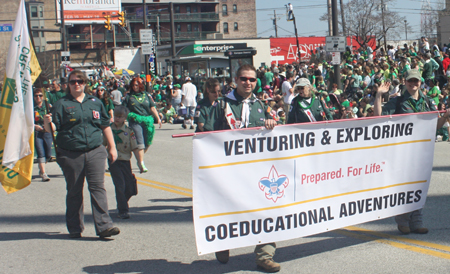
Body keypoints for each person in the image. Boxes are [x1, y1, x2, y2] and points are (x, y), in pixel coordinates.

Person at [198, 65, 279, 272]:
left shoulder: (259, 105)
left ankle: (265, 255)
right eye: (244, 79)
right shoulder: (222, 104)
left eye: (252, 80)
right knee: (229, 208)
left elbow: (274, 130)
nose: (248, 83)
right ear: (236, 79)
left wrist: (271, 123)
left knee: (267, 208)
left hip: (257, 169)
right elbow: (208, 136)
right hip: (229, 170)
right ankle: (223, 242)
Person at [43, 70, 120, 239]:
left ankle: (104, 226)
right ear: (68, 85)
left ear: (85, 83)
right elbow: (53, 129)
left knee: (98, 187)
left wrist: (112, 147)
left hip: (95, 150)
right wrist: (47, 123)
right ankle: (75, 227)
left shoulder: (95, 102)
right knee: (75, 190)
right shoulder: (61, 104)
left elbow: (105, 125)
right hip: (71, 153)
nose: (76, 84)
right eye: (72, 82)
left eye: (79, 81)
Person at [374, 69, 450, 235]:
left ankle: (417, 222)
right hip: (402, 151)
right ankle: (403, 220)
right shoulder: (399, 101)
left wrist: (444, 117)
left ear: (420, 82)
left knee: (419, 186)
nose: (413, 83)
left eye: (416, 81)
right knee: (405, 187)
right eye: (410, 80)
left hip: (422, 151)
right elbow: (379, 118)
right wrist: (379, 95)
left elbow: (434, 127)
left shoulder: (427, 102)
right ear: (405, 82)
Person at [104, 106, 139, 219]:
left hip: (125, 161)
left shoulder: (129, 132)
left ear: (125, 118)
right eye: (116, 116)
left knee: (129, 187)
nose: (117, 119)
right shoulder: (109, 130)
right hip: (113, 161)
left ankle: (123, 201)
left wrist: (140, 162)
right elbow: (102, 144)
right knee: (120, 185)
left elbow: (135, 148)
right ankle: (123, 210)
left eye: (120, 117)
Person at [122, 77, 162, 173]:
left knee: (147, 142)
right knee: (140, 141)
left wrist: (158, 118)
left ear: (140, 85)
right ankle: (141, 163)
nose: (135, 87)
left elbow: (152, 107)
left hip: (147, 120)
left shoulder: (147, 95)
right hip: (135, 120)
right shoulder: (128, 97)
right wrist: (122, 120)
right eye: (133, 85)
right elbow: (124, 109)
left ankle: (138, 156)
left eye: (136, 85)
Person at [33, 88, 52, 182]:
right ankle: (43, 173)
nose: (38, 98)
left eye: (40, 95)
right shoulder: (31, 108)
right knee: (41, 153)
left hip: (47, 132)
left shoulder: (47, 107)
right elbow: (26, 120)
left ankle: (42, 166)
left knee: (48, 154)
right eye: (36, 96)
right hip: (37, 133)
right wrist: (34, 126)